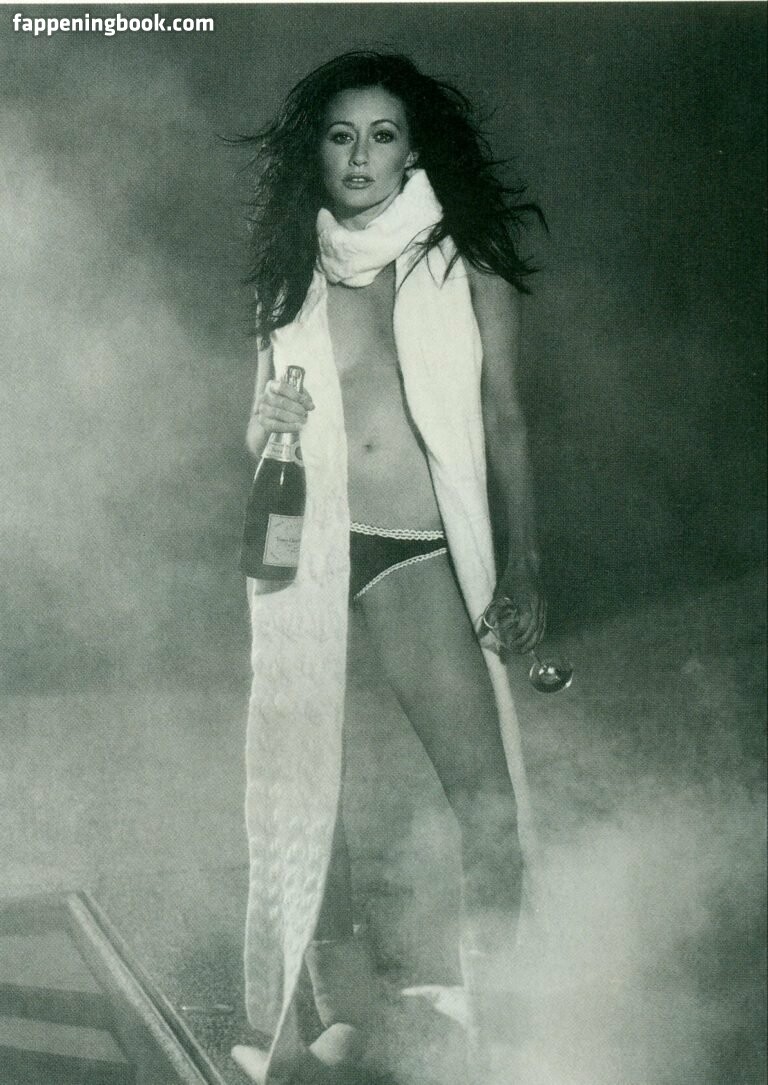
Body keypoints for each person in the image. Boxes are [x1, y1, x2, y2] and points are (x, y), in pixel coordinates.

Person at [231, 51, 546, 1085]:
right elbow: (261, 432)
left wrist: (525, 564)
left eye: (382, 135)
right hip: (310, 550)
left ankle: (504, 1020)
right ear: (317, 152)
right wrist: (270, 418)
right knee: (300, 788)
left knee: (485, 801)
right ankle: (341, 1003)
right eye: (341, 135)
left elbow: (505, 417)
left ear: (412, 151)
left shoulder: (461, 256)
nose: (360, 155)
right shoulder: (294, 268)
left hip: (411, 548)